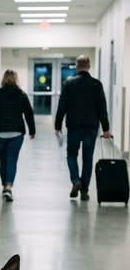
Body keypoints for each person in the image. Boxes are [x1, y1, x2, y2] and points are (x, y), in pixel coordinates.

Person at [55, 54, 111, 201]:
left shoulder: (69, 83)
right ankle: (84, 191)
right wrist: (106, 128)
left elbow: (62, 106)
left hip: (73, 126)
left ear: (77, 66)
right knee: (88, 158)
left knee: (71, 155)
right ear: (89, 66)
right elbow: (102, 108)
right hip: (91, 127)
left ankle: (75, 180)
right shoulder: (97, 84)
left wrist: (57, 125)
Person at [0, 69, 35, 202]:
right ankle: (8, 187)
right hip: (16, 133)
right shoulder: (21, 95)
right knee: (11, 160)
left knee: (3, 160)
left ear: (3, 79)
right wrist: (32, 130)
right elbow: (29, 113)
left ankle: (5, 185)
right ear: (16, 79)